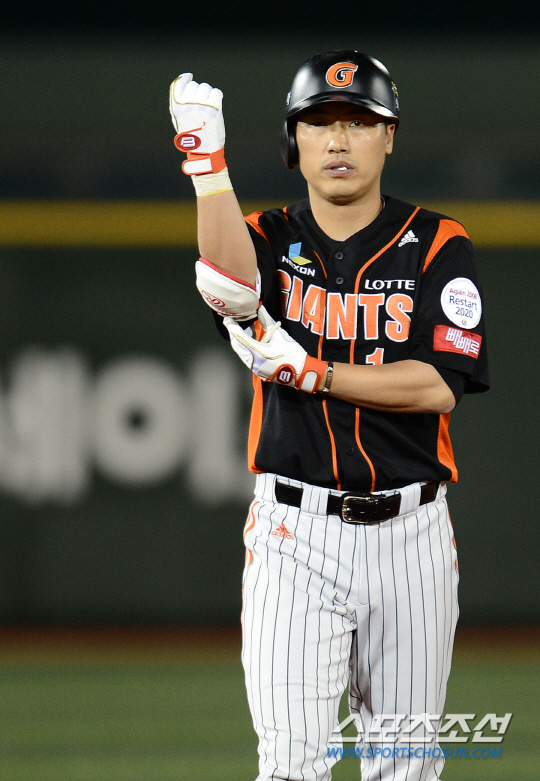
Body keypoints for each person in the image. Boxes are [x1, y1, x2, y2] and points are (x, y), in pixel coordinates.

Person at [169, 50, 489, 781]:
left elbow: (440, 384)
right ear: (294, 141)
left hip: (412, 535)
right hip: (295, 534)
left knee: (406, 768)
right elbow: (230, 287)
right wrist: (207, 168)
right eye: (319, 123)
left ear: (389, 136)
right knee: (291, 767)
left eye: (358, 122)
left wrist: (315, 372)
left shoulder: (439, 242)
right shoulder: (269, 236)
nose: (338, 140)